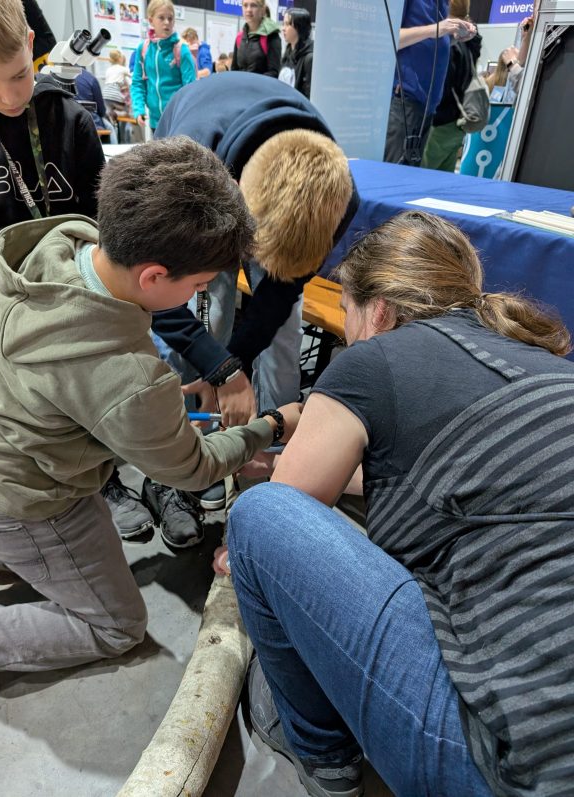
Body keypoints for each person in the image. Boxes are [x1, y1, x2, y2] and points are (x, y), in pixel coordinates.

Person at [224, 210, 574, 797]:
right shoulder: (542, 369)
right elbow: (432, 477)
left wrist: (262, 497)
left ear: (377, 311)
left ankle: (322, 753)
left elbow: (291, 505)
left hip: (517, 766)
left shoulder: (372, 360)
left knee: (259, 521)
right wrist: (289, 430)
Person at [0, 136, 301, 674]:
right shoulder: (126, 379)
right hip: (31, 498)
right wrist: (270, 424)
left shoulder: (61, 246)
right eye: (198, 285)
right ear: (153, 276)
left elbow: (76, 385)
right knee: (116, 626)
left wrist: (138, 410)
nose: (198, 293)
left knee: (9, 545)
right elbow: (192, 468)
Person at [152, 72, 359, 543]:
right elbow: (155, 299)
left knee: (283, 327)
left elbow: (280, 296)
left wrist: (232, 364)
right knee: (213, 309)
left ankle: (262, 448)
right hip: (203, 181)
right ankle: (177, 461)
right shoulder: (184, 173)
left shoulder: (338, 196)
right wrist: (222, 369)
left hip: (246, 186)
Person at [0, 0, 105, 319]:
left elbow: (101, 218)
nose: (9, 96)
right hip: (2, 292)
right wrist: (1, 290)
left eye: (19, 75)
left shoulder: (73, 122)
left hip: (80, 282)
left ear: (30, 43)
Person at [384, 0, 476, 166]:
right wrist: (437, 29)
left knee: (409, 176)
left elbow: (433, 39)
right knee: (393, 173)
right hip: (406, 98)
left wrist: (456, 34)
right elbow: (389, 37)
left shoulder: (442, 4)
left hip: (428, 105)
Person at [422, 0, 482, 172]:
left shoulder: (450, 44)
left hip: (440, 124)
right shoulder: (469, 42)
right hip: (457, 124)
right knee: (440, 181)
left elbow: (442, 86)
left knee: (419, 178)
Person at [130, 0, 195, 131]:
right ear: (151, 20)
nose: (166, 22)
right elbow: (138, 82)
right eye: (161, 17)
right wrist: (139, 109)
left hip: (178, 121)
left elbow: (191, 88)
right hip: (155, 122)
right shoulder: (144, 49)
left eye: (170, 18)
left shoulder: (181, 50)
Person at [231, 0, 281, 77]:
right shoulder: (240, 37)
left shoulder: (271, 36)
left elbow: (273, 73)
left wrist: (251, 84)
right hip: (241, 88)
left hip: (261, 88)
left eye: (253, 5)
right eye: (245, 5)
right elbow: (234, 69)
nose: (248, 10)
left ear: (262, 10)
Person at [74, 66, 117, 143]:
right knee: (110, 128)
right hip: (92, 122)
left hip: (68, 123)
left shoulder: (58, 76)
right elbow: (101, 110)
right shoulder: (90, 78)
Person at [279, 7, 313, 98]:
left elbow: (308, 96)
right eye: (283, 24)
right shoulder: (288, 52)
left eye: (287, 24)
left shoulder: (309, 58)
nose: (283, 28)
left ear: (299, 27)